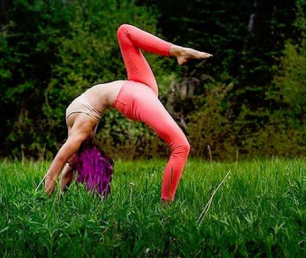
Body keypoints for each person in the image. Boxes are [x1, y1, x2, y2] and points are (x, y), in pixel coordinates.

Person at [43, 23, 212, 202]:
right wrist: (51, 200)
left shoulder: (78, 131)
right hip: (134, 95)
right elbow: (63, 165)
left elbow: (62, 164)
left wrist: (52, 197)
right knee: (181, 146)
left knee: (124, 32)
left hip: (137, 84)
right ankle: (166, 208)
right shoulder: (81, 130)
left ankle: (178, 51)